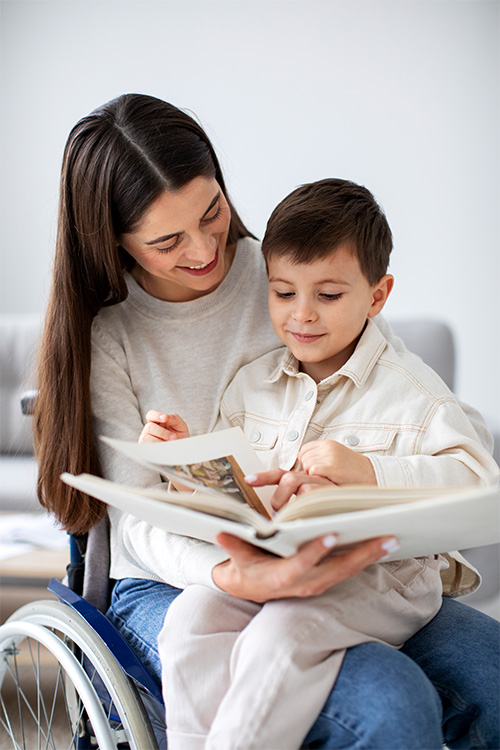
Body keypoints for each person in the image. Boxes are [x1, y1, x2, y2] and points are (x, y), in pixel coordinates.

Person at [33, 93, 499, 749]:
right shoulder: (107, 338)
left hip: (328, 559)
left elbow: (389, 392)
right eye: (167, 241)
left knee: (491, 673)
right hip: (175, 576)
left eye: (213, 213)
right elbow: (140, 521)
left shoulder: (291, 270)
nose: (203, 249)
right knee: (386, 700)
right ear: (114, 240)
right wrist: (232, 565)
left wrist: (357, 475)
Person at [142, 178, 500, 749]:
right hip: (279, 570)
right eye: (284, 293)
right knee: (189, 621)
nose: (302, 316)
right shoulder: (252, 385)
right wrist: (187, 461)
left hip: (378, 578)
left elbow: (480, 482)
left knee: (278, 638)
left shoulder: (413, 393)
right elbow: (239, 493)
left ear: (377, 296)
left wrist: (370, 472)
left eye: (328, 296)